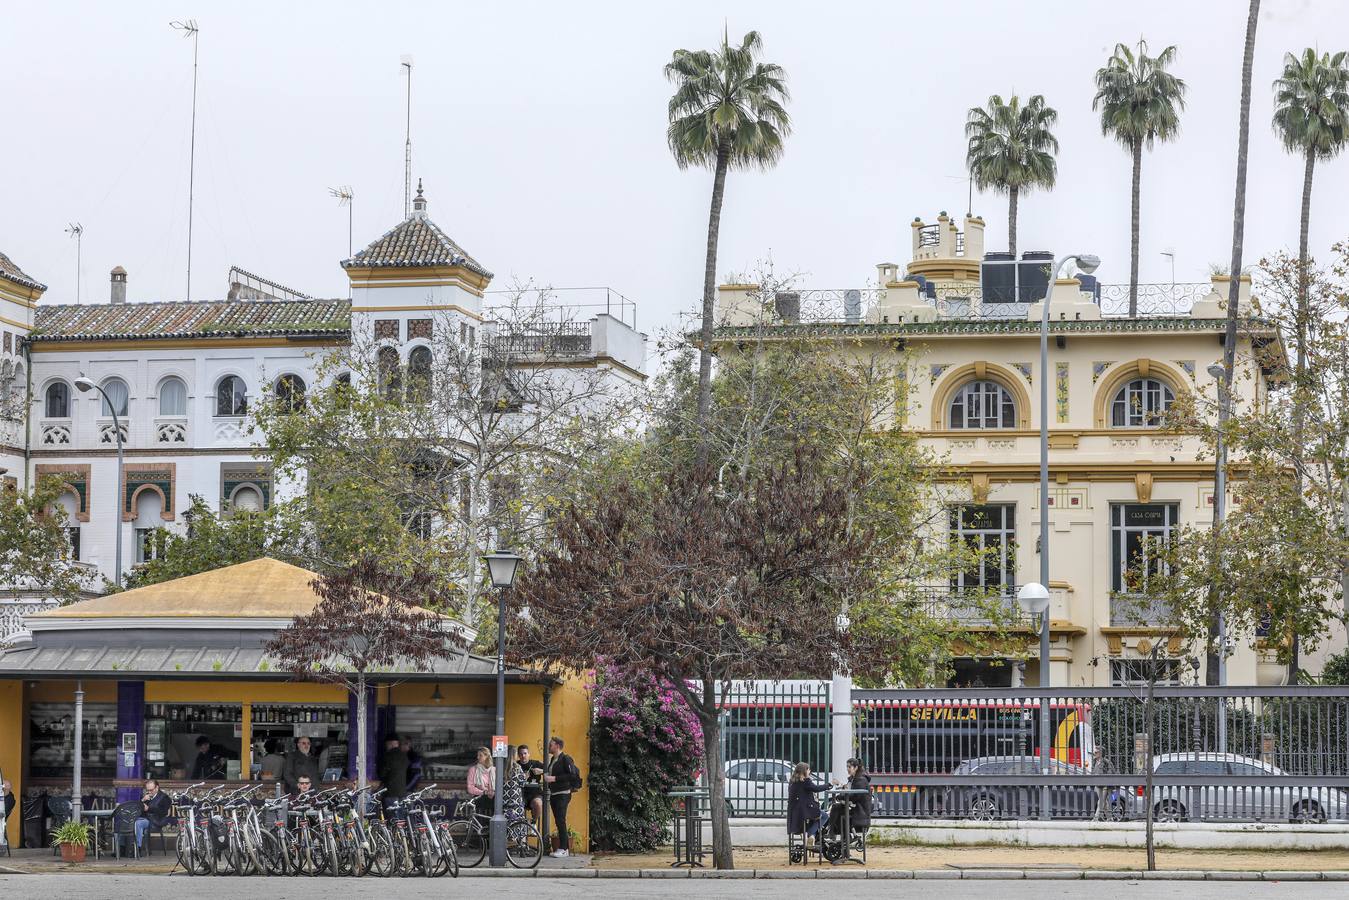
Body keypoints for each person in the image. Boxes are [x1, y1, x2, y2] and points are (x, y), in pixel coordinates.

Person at [543, 736, 580, 858]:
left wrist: (554, 778)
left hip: (563, 793)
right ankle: (561, 848)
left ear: (557, 746)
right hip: (554, 793)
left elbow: (572, 775)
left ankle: (564, 849)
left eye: (551, 744)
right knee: (558, 821)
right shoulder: (553, 759)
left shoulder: (566, 759)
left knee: (561, 820)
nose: (549, 746)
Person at [825, 758, 872, 845]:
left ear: (856, 768)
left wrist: (841, 796)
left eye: (849, 767)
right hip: (855, 808)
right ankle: (842, 836)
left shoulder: (860, 780)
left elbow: (854, 796)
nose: (847, 769)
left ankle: (834, 834)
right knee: (837, 808)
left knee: (836, 808)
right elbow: (850, 792)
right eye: (847, 767)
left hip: (860, 811)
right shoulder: (855, 778)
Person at [787, 762, 829, 846]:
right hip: (805, 811)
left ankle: (811, 837)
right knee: (824, 816)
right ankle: (811, 834)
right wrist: (829, 785)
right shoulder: (805, 781)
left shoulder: (792, 781)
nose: (810, 771)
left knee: (814, 818)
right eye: (808, 769)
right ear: (804, 771)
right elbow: (816, 788)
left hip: (794, 813)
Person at [134, 778, 172, 853]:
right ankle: (122, 849)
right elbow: (137, 809)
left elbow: (163, 813)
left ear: (157, 787)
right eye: (147, 790)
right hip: (145, 819)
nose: (149, 792)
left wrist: (149, 808)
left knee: (138, 823)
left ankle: (137, 849)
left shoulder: (164, 798)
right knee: (127, 821)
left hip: (156, 821)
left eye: (151, 790)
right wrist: (142, 800)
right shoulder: (147, 797)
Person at [516, 744, 545, 824]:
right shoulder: (515, 765)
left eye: (525, 753)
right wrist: (521, 777)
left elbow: (552, 771)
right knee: (514, 806)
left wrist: (542, 771)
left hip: (535, 793)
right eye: (521, 754)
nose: (523, 756)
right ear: (518, 755)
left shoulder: (536, 764)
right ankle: (520, 826)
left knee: (538, 803)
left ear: (529, 754)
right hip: (520, 794)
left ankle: (533, 824)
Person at [378, 734, 410, 800]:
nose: (386, 746)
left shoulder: (388, 756)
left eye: (387, 744)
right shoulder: (404, 756)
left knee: (391, 810)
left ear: (390, 744)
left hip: (390, 792)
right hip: (402, 792)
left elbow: (382, 773)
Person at [466, 747, 496, 818]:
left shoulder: (494, 770)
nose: (478, 757)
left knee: (492, 825)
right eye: (477, 755)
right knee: (480, 824)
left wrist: (492, 792)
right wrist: (484, 792)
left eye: (480, 755)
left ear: (487, 756)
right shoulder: (473, 770)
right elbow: (470, 788)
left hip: (493, 801)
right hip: (479, 801)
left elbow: (499, 786)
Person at [1091, 747, 1117, 821]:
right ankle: (1110, 818)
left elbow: (1112, 772)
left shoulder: (1106, 762)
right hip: (1097, 784)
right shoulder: (1094, 761)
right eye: (1095, 752)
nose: (1094, 754)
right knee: (1104, 803)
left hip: (1105, 785)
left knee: (1101, 801)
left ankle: (1096, 817)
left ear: (1101, 753)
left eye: (1096, 752)